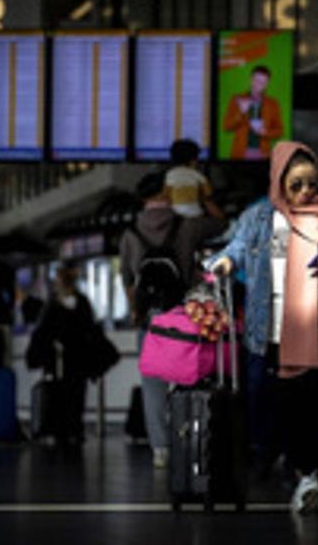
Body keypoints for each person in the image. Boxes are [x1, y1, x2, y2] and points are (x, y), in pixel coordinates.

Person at [207, 141, 318, 515]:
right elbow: (237, 248)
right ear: (278, 181)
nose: (307, 192)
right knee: (280, 401)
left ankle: (307, 476)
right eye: (296, 185)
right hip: (275, 330)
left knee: (308, 403)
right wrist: (223, 262)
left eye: (312, 183)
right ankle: (292, 464)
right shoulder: (259, 217)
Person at [119, 172, 227, 468]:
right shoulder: (188, 224)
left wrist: (137, 312)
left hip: (150, 318)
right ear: (169, 192)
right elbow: (223, 224)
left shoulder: (130, 231)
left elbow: (128, 279)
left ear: (142, 199)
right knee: (191, 377)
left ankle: (160, 449)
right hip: (185, 315)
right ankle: (189, 439)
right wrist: (203, 198)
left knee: (152, 383)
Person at [26, 261, 96, 445]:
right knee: (64, 393)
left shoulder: (60, 303)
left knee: (72, 393)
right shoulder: (78, 303)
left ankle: (69, 429)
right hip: (61, 358)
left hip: (71, 357)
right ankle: (65, 429)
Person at [222, 65, 284, 160]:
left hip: (263, 154)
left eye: (263, 82)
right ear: (251, 79)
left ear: (267, 83)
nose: (259, 85)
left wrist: (266, 132)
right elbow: (226, 126)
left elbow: (279, 131)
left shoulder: (272, 104)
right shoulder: (237, 99)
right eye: (257, 80)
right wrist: (241, 112)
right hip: (240, 153)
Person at [165, 139, 224, 220]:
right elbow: (209, 202)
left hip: (175, 220)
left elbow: (167, 198)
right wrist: (224, 219)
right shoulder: (198, 176)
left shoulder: (169, 175)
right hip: (195, 218)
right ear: (193, 160)